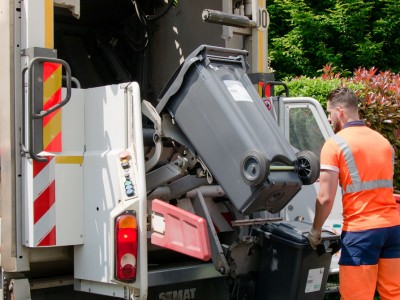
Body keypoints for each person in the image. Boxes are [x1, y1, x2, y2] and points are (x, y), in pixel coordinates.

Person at [307, 87, 400, 299]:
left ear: (340, 112)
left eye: (330, 114)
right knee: (393, 294)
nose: (330, 120)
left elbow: (325, 198)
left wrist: (315, 231)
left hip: (362, 232)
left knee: (356, 296)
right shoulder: (383, 142)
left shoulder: (335, 144)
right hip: (393, 228)